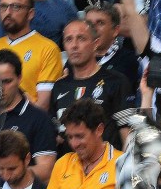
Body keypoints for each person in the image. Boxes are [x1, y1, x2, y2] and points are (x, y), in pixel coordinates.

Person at [39, 99, 121, 189]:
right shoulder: (62, 164)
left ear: (99, 130)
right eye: (70, 137)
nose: (74, 144)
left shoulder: (121, 163)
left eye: (79, 136)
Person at [50, 19, 133, 147]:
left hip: (106, 159)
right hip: (68, 160)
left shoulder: (116, 81)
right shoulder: (59, 86)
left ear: (96, 43)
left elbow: (128, 136)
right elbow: (55, 136)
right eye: (68, 40)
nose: (74, 45)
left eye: (81, 38)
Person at [0, 0, 64, 111]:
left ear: (30, 14)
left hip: (27, 120)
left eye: (16, 7)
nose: (8, 12)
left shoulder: (48, 49)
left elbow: (43, 107)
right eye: (4, 6)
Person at [0, 49, 58, 183]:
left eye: (7, 81)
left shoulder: (39, 119)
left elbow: (46, 170)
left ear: (19, 78)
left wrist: (0, 165)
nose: (0, 88)